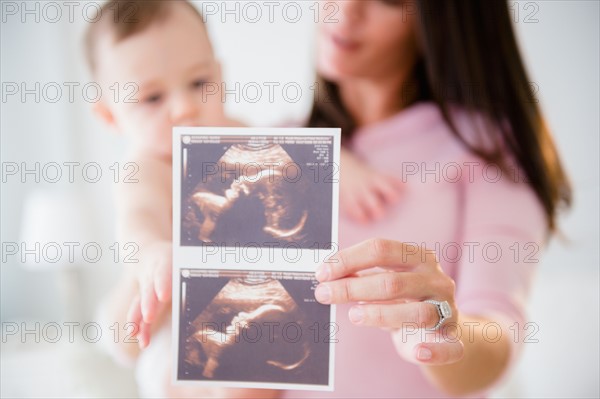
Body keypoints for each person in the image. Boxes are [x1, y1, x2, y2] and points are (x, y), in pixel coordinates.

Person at [86, 1, 386, 397]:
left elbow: (287, 159)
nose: (184, 107)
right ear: (110, 116)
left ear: (221, 76)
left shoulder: (237, 134)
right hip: (173, 332)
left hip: (235, 303)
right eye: (152, 99)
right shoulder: (146, 168)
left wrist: (337, 165)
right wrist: (153, 250)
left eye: (197, 83)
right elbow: (138, 216)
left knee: (263, 361)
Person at [282, 0, 571, 398]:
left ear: (439, 21)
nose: (346, 10)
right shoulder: (275, 144)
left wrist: (440, 328)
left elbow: (497, 336)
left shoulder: (487, 150)